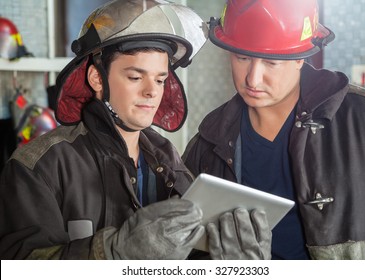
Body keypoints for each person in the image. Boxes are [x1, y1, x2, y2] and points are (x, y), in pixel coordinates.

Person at [0, 0, 212, 260]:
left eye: (160, 79)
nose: (152, 91)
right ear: (97, 79)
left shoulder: (167, 159)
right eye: (135, 77)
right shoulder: (38, 167)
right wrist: (111, 253)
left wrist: (224, 260)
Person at [183, 0, 365, 260]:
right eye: (242, 58)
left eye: (271, 62)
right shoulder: (207, 143)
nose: (253, 79)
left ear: (301, 58)